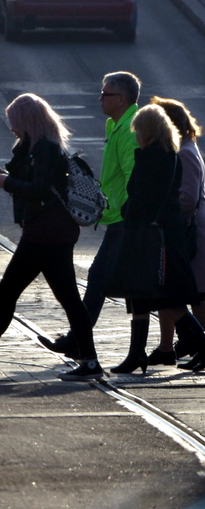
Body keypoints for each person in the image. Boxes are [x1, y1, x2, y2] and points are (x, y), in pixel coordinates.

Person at [0, 94, 102, 380]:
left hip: (45, 232)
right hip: (51, 231)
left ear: (28, 121)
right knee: (67, 297)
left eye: (15, 123)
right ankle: (90, 361)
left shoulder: (45, 148)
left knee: (9, 291)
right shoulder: (38, 146)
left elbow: (39, 188)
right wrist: (4, 172)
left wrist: (6, 182)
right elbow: (26, 175)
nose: (12, 129)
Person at [42, 72, 140, 357]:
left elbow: (134, 175)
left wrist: (124, 211)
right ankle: (81, 340)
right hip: (118, 217)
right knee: (122, 284)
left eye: (105, 94)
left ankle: (77, 341)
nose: (99, 99)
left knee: (101, 281)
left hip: (125, 219)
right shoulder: (116, 124)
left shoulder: (130, 129)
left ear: (121, 99)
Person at [105, 105, 205, 374]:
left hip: (153, 234)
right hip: (153, 231)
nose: (135, 135)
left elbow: (144, 196)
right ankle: (136, 352)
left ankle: (200, 342)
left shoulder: (154, 156)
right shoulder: (163, 152)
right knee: (141, 292)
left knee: (164, 295)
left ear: (148, 130)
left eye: (138, 130)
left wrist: (127, 212)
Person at [147, 97, 205, 362]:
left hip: (192, 231)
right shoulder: (182, 148)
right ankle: (169, 346)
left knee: (196, 294)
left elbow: (188, 198)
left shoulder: (184, 152)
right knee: (172, 288)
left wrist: (163, 211)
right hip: (183, 229)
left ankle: (198, 343)